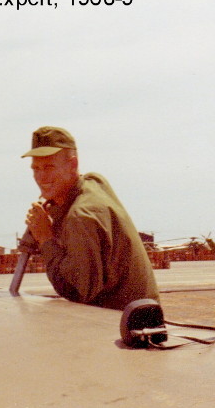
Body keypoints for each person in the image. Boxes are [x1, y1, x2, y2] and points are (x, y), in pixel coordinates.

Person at [21, 126, 159, 311]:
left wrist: (45, 238)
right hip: (139, 316)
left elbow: (77, 291)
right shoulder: (93, 182)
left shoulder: (80, 216)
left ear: (72, 165)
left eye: (49, 167)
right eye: (36, 168)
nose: (41, 177)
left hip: (117, 325)